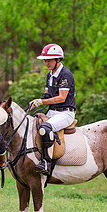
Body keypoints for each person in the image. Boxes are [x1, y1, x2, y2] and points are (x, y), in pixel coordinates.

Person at [30, 43, 76, 174]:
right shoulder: (50, 75)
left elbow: (61, 98)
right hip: (52, 111)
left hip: (65, 113)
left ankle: (46, 162)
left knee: (45, 128)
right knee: (34, 124)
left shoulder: (65, 74)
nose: (47, 63)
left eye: (49, 60)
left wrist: (42, 101)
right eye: (45, 60)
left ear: (58, 60)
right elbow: (47, 95)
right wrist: (37, 101)